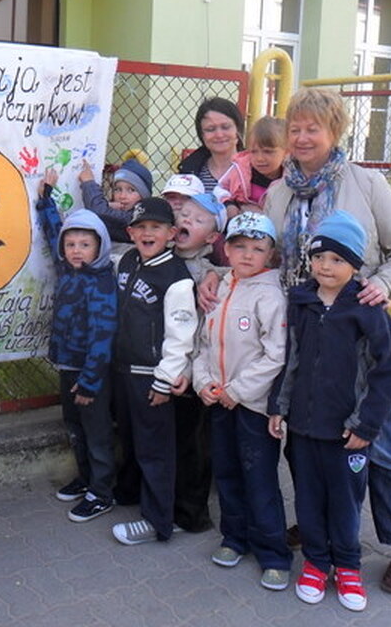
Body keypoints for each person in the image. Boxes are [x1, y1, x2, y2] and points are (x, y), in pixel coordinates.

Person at [199, 88, 391, 594]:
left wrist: (381, 285)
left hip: (353, 332)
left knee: (375, 440)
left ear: (333, 131)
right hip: (297, 332)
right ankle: (318, 527)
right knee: (304, 441)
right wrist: (218, 273)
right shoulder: (279, 191)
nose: (301, 137)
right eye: (294, 128)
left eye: (312, 128)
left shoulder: (365, 183)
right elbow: (262, 255)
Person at [268, 210, 391, 611]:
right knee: (308, 498)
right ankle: (315, 563)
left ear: (355, 265)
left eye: (337, 259)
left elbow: (384, 372)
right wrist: (279, 406)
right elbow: (290, 358)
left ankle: (346, 566)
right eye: (319, 256)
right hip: (303, 429)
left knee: (344, 502)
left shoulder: (368, 310)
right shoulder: (301, 301)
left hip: (347, 433)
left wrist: (366, 425)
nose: (325, 266)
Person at [184, 212, 291, 590]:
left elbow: (275, 355)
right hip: (218, 401)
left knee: (259, 479)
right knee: (227, 472)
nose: (247, 255)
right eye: (239, 246)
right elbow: (203, 344)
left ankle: (273, 553)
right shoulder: (221, 287)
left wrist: (238, 390)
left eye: (257, 249)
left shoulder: (271, 295)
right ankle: (235, 538)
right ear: (225, 250)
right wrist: (204, 382)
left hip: (251, 407)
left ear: (271, 254)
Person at [109, 197, 197, 545]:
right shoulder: (127, 260)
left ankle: (158, 520)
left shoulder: (176, 278)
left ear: (171, 233)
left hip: (151, 375)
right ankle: (130, 493)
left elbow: (181, 335)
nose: (148, 233)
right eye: (141, 227)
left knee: (154, 449)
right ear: (130, 232)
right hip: (123, 369)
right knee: (130, 439)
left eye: (156, 227)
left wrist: (164, 380)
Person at [36, 167, 118, 522]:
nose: (76, 250)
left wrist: (89, 382)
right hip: (67, 366)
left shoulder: (101, 284)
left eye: (85, 245)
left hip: (90, 375)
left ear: (99, 246)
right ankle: (85, 479)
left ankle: (102, 492)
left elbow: (103, 337)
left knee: (97, 433)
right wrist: (46, 199)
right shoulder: (67, 269)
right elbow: (54, 230)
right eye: (71, 245)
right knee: (75, 428)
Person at [171, 192, 227, 534]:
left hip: (192, 371)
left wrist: (216, 274)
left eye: (198, 219)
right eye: (184, 214)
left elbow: (206, 334)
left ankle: (192, 514)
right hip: (160, 366)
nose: (187, 220)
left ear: (212, 237)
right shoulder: (158, 255)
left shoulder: (209, 274)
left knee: (193, 444)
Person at [218, 116, 287, 219]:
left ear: (286, 152)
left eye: (268, 151)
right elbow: (219, 189)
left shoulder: (291, 178)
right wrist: (228, 205)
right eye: (253, 151)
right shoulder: (240, 171)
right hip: (239, 220)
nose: (259, 158)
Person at [78, 157, 152, 251]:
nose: (122, 196)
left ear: (144, 195)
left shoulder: (140, 217)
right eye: (118, 189)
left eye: (131, 190)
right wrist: (107, 206)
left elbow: (99, 212)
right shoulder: (121, 210)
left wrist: (89, 183)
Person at [178, 97, 244, 193]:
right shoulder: (189, 170)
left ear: (238, 130)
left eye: (225, 127)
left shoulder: (255, 169)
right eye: (210, 129)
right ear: (202, 135)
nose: (219, 135)